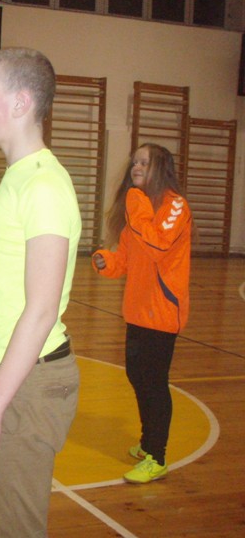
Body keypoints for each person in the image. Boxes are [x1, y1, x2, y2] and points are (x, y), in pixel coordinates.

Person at [0, 48, 81, 537]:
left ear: (20, 103)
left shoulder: (43, 186)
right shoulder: (21, 178)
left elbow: (42, 310)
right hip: (7, 378)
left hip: (24, 387)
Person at [92, 143, 192, 484]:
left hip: (162, 312)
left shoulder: (174, 205)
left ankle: (157, 456)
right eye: (135, 161)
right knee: (138, 377)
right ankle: (148, 442)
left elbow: (158, 245)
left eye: (145, 162)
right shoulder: (141, 212)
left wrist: (135, 203)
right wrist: (106, 260)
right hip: (136, 311)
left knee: (154, 383)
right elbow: (126, 259)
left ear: (160, 168)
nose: (136, 166)